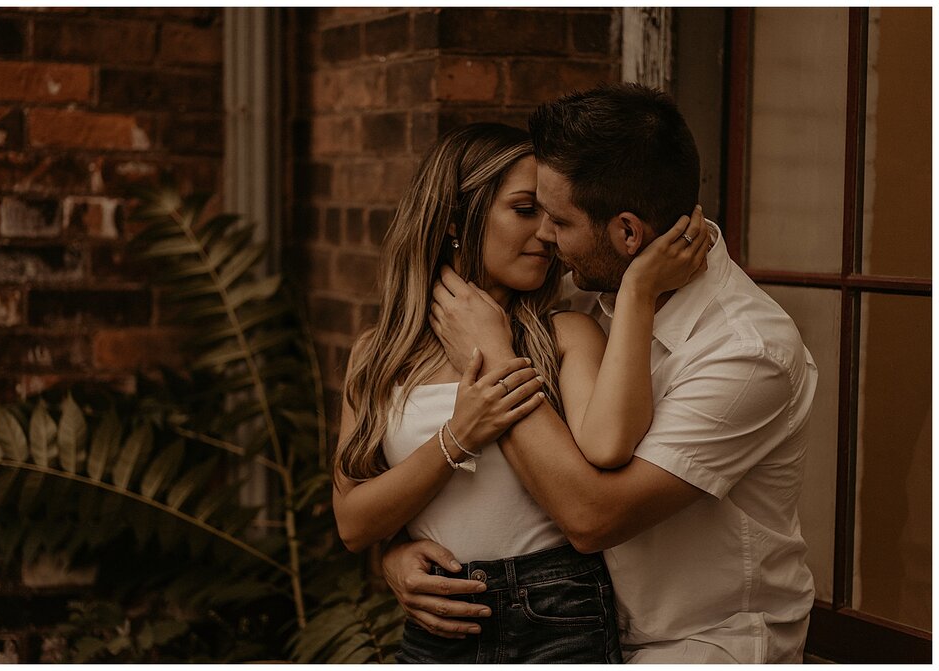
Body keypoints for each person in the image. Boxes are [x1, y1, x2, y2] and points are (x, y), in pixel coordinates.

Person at [382, 84, 818, 663]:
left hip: (700, 640)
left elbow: (591, 516)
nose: (546, 239)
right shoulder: (587, 297)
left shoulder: (748, 353)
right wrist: (395, 553)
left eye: (558, 221)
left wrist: (490, 354)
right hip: (584, 625)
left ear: (628, 233)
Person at [332, 122, 706, 664]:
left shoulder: (566, 336)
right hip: (439, 619)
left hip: (558, 612)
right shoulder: (378, 355)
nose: (549, 235)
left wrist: (636, 292)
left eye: (554, 218)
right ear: (458, 219)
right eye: (526, 210)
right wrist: (457, 438)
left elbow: (609, 448)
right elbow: (352, 523)